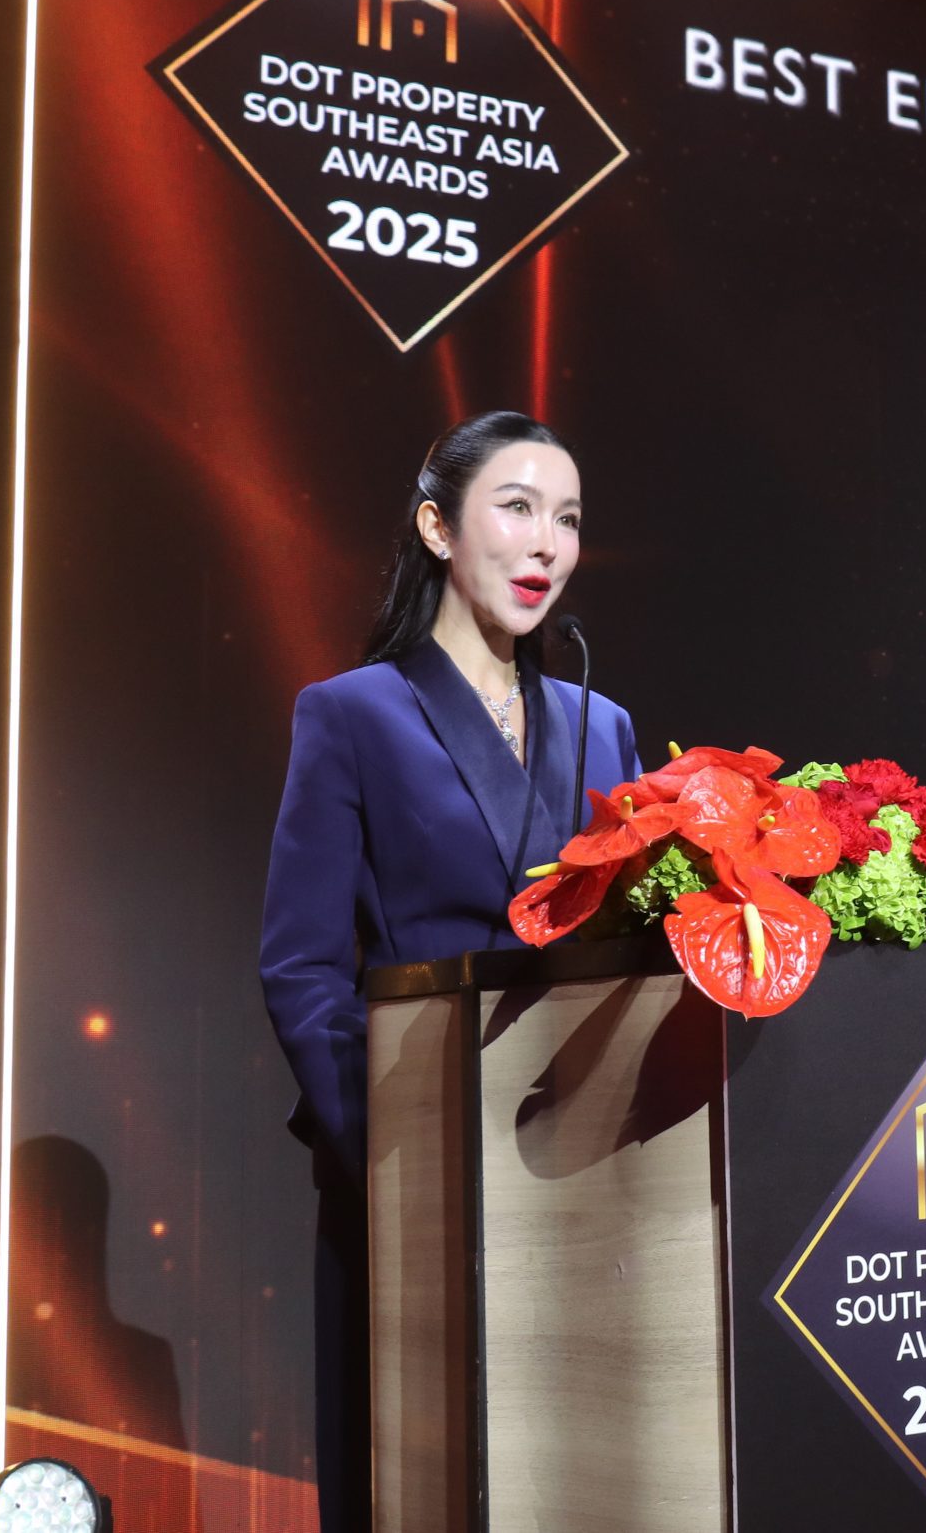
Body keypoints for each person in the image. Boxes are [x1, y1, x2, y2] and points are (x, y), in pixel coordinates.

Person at [258, 412, 643, 1533]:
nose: (547, 545)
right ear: (437, 527)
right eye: (517, 509)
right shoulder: (351, 714)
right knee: (419, 1483)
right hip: (412, 1164)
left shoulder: (602, 727)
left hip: (575, 1174)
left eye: (567, 519)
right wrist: (386, 1158)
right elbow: (301, 967)